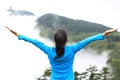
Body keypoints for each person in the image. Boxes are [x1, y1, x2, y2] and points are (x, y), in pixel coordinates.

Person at [6, 26, 118, 80]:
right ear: (66, 40)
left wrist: (18, 35)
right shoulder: (73, 49)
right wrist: (104, 33)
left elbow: (34, 42)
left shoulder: (48, 51)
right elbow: (88, 40)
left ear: (54, 40)